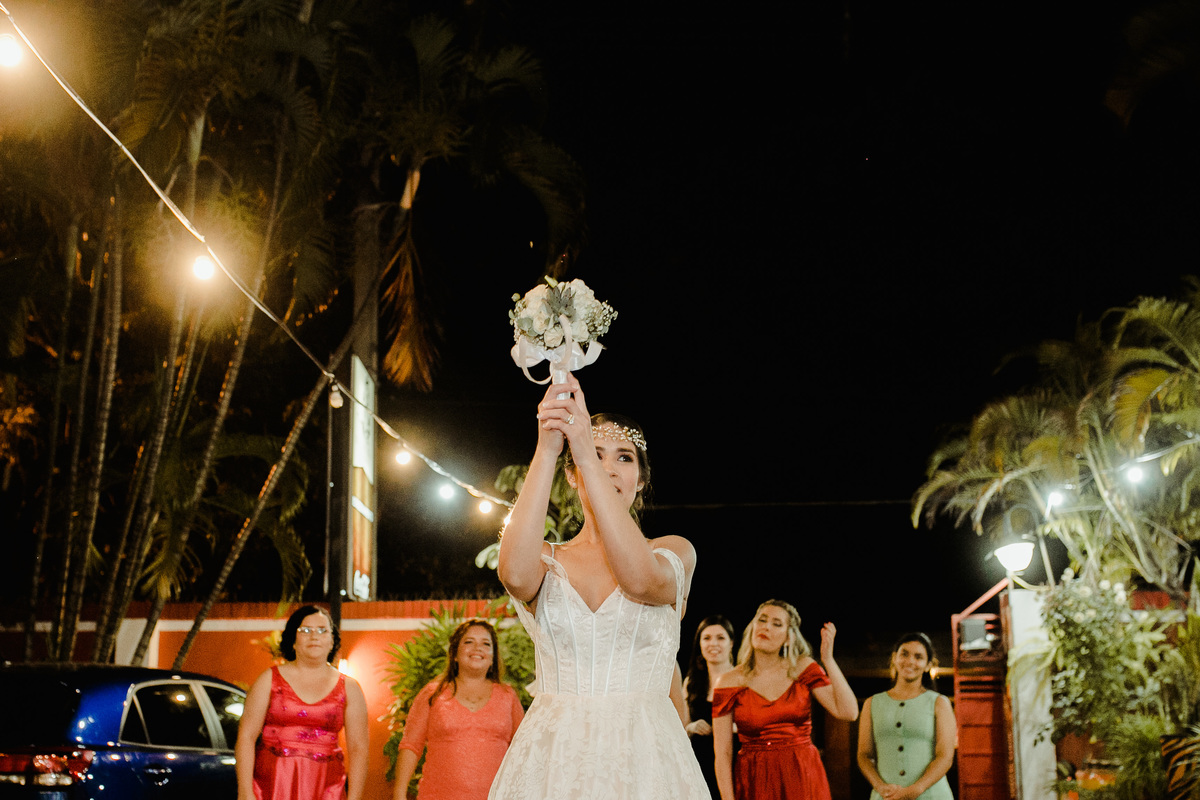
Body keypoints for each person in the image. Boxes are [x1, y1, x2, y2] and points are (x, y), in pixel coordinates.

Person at [489, 375, 709, 799]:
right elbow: (513, 576)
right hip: (554, 760)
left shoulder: (672, 553)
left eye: (624, 458)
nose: (609, 467)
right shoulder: (546, 561)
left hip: (645, 758)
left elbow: (639, 580)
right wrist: (549, 447)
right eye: (597, 455)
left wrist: (587, 453)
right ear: (569, 477)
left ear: (641, 479)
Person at [712, 600, 858, 800]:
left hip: (801, 773)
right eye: (761, 620)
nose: (766, 627)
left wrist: (828, 660)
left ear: (788, 638)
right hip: (755, 779)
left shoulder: (802, 668)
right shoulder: (728, 682)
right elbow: (722, 754)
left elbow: (849, 712)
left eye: (776, 624)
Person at [237, 605, 369, 800]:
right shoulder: (268, 680)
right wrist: (245, 792)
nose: (314, 636)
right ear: (293, 640)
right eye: (305, 630)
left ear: (332, 641)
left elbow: (359, 748)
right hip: (271, 786)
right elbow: (246, 736)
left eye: (323, 630)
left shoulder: (349, 688)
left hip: (326, 788)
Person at [393, 619, 524, 800]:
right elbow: (410, 746)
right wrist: (399, 794)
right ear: (454, 653)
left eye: (486, 644)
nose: (477, 648)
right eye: (469, 642)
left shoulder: (508, 696)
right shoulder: (432, 693)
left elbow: (525, 750)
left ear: (493, 657)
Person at [856, 632, 955, 800]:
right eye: (904, 654)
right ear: (894, 658)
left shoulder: (939, 703)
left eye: (918, 657)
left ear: (927, 665)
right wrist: (879, 786)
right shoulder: (872, 703)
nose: (910, 661)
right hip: (886, 796)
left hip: (930, 795)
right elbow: (864, 755)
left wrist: (915, 790)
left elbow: (945, 757)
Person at [683, 615, 738, 799]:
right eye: (706, 638)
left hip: (734, 760)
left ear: (731, 643)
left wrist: (728, 728)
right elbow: (681, 726)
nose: (713, 643)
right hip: (698, 763)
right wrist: (691, 727)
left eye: (720, 638)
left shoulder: (742, 679)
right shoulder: (691, 682)